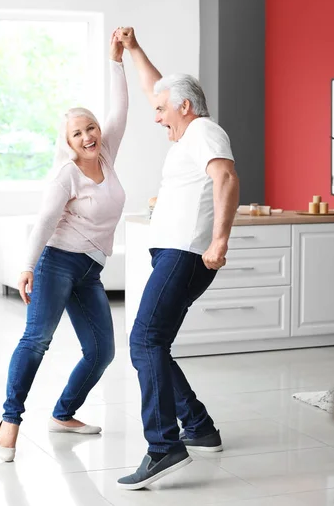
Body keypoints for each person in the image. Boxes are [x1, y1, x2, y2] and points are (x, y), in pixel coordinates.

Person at [114, 27, 239, 490]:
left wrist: (219, 241)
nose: (157, 117)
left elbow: (226, 178)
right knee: (154, 343)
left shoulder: (204, 130)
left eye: (163, 111)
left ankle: (164, 446)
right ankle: (199, 428)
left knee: (143, 340)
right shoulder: (188, 132)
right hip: (175, 252)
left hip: (187, 253)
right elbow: (157, 88)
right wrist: (133, 50)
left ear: (184, 107)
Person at [0, 31, 128, 462]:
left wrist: (116, 60)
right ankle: (10, 419)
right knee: (37, 339)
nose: (88, 136)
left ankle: (64, 412)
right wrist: (26, 266)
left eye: (91, 127)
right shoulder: (65, 175)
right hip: (57, 263)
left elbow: (121, 108)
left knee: (102, 351)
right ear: (67, 142)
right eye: (78, 133)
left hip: (90, 269)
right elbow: (44, 222)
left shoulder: (106, 154)